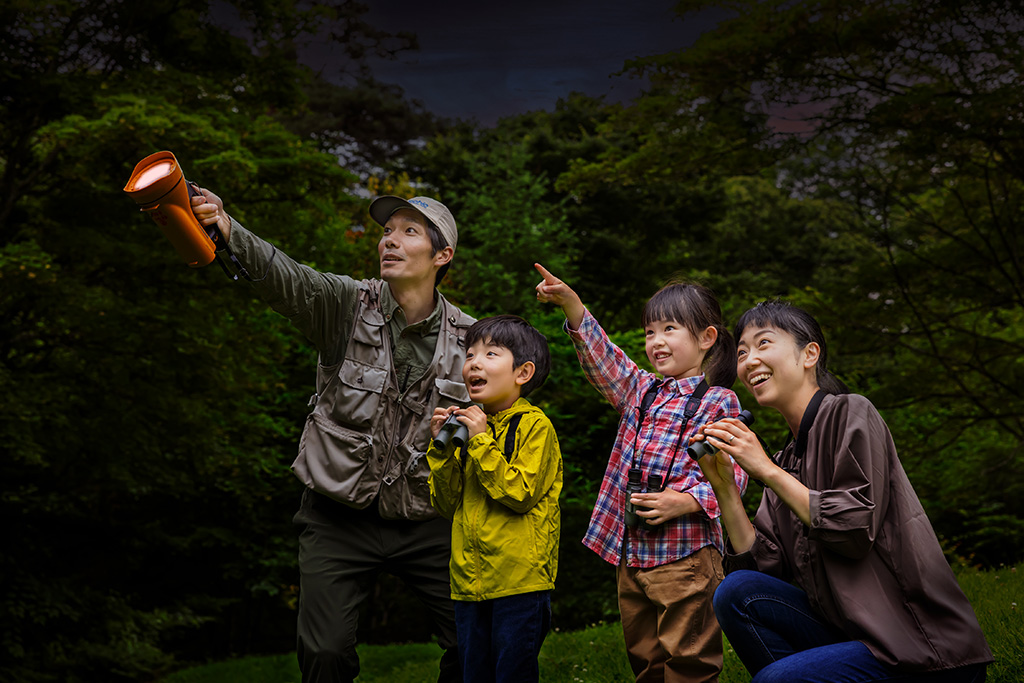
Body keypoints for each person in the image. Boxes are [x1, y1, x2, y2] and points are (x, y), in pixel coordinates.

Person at [190, 190, 474, 683]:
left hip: (428, 518)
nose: (390, 240)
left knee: (475, 643)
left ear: (442, 255)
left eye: (409, 232)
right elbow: (287, 278)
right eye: (387, 231)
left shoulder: (474, 339)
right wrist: (226, 226)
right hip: (337, 514)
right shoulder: (345, 304)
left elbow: (515, 410)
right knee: (324, 653)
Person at [693, 300, 993, 683]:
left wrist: (766, 470)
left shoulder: (852, 412)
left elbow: (854, 527)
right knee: (737, 591)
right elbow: (766, 574)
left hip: (922, 653)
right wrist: (726, 490)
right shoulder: (786, 458)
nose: (750, 360)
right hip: (856, 641)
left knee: (776, 681)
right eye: (742, 352)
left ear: (809, 354)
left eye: (764, 343)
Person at [535, 264, 749, 683]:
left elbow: (736, 474)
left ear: (706, 338)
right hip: (631, 555)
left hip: (686, 558)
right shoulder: (642, 390)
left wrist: (684, 501)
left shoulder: (718, 402)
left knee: (689, 660)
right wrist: (572, 305)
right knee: (645, 658)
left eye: (670, 329)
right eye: (650, 332)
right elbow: (605, 360)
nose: (656, 341)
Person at [426, 314, 562, 683]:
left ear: (523, 372)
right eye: (470, 355)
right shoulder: (471, 427)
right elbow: (446, 504)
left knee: (512, 675)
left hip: (519, 584)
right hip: (470, 583)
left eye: (490, 354)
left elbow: (519, 493)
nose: (474, 363)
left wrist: (481, 440)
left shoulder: (535, 426)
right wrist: (442, 452)